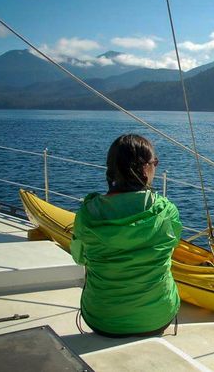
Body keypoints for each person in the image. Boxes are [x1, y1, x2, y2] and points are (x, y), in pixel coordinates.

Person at [70, 134, 181, 337]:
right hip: (157, 317)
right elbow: (170, 249)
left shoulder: (88, 214)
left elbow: (79, 257)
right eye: (154, 163)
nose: (156, 168)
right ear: (145, 168)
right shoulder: (167, 212)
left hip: (102, 319)